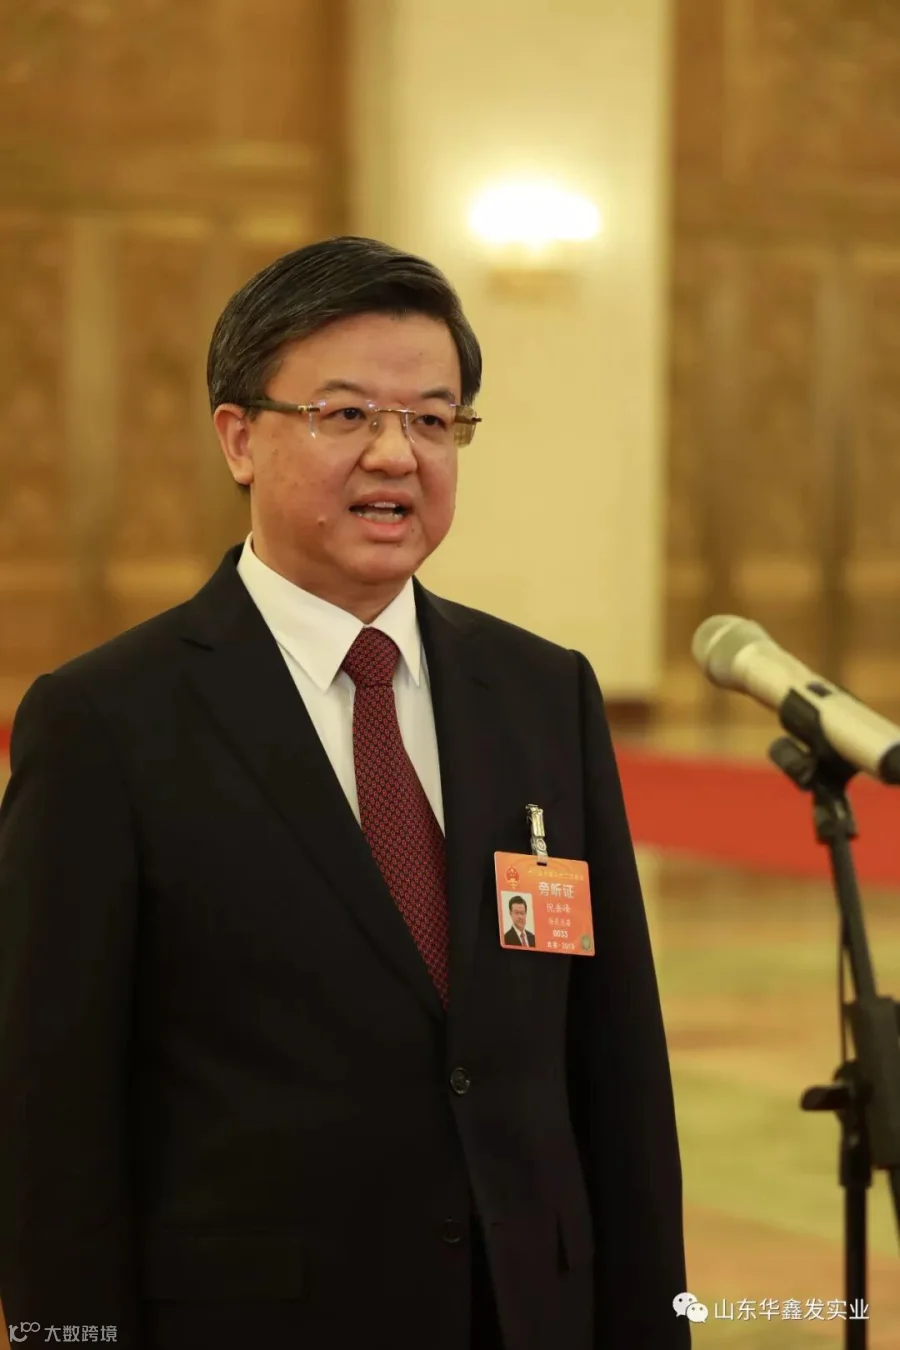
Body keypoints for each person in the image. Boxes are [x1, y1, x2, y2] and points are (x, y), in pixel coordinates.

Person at [0, 236, 689, 1350]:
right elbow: (49, 1118)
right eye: (346, 414)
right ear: (239, 437)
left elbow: (617, 1071)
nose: (396, 454)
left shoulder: (542, 692)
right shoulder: (107, 721)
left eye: (433, 420)